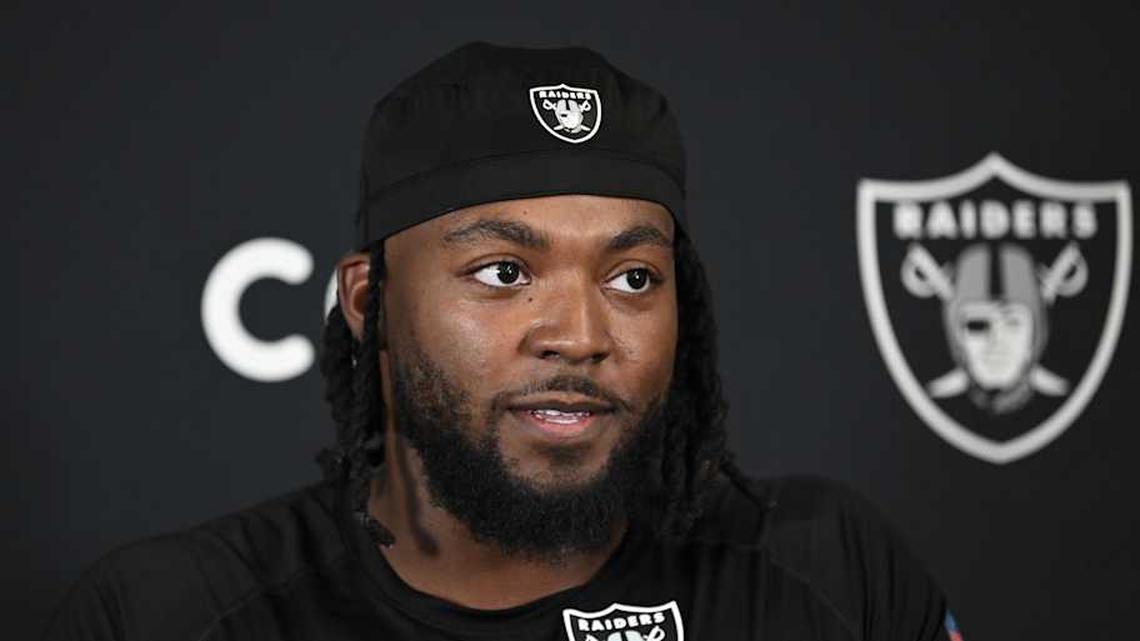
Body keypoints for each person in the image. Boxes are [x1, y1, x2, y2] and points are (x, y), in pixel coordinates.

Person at [44, 42, 961, 641]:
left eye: (632, 277)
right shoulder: (176, 614)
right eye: (503, 273)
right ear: (370, 300)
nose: (579, 334)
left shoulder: (823, 573)